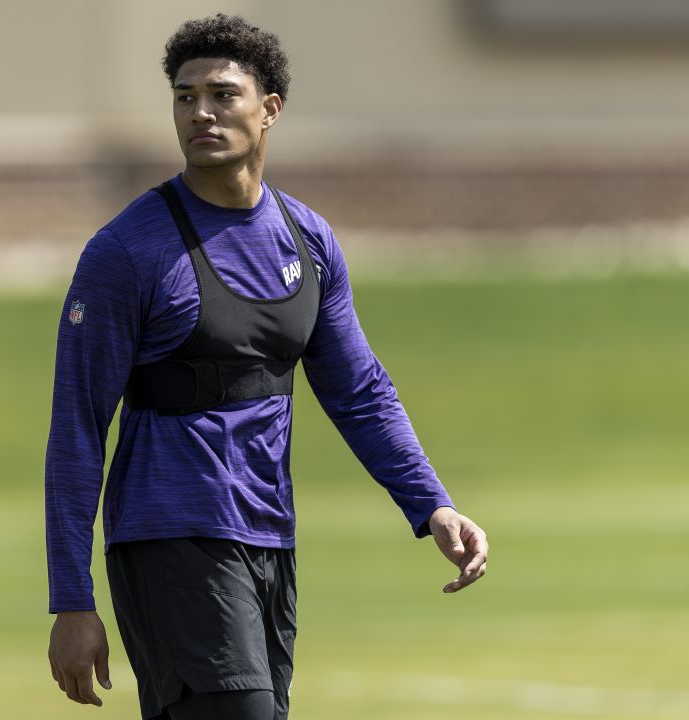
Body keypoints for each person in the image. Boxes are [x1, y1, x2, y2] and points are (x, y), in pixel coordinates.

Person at [45, 14, 489, 720]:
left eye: (222, 95)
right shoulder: (126, 252)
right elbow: (76, 428)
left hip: (268, 538)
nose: (201, 113)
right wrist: (72, 599)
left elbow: (360, 392)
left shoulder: (308, 239)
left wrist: (429, 503)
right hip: (169, 540)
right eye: (185, 97)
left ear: (269, 109)